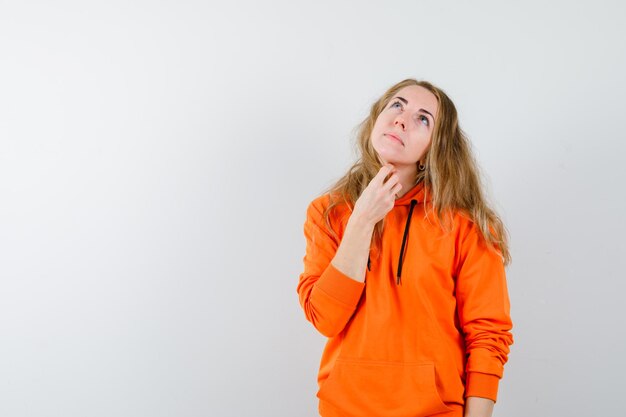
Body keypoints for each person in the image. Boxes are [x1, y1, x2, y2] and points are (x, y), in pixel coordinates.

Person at [296, 78, 514, 417]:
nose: (402, 119)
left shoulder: (465, 226)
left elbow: (488, 335)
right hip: (343, 409)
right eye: (396, 105)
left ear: (434, 147)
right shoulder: (329, 213)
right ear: (376, 119)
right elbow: (325, 318)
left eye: (422, 118)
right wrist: (361, 222)